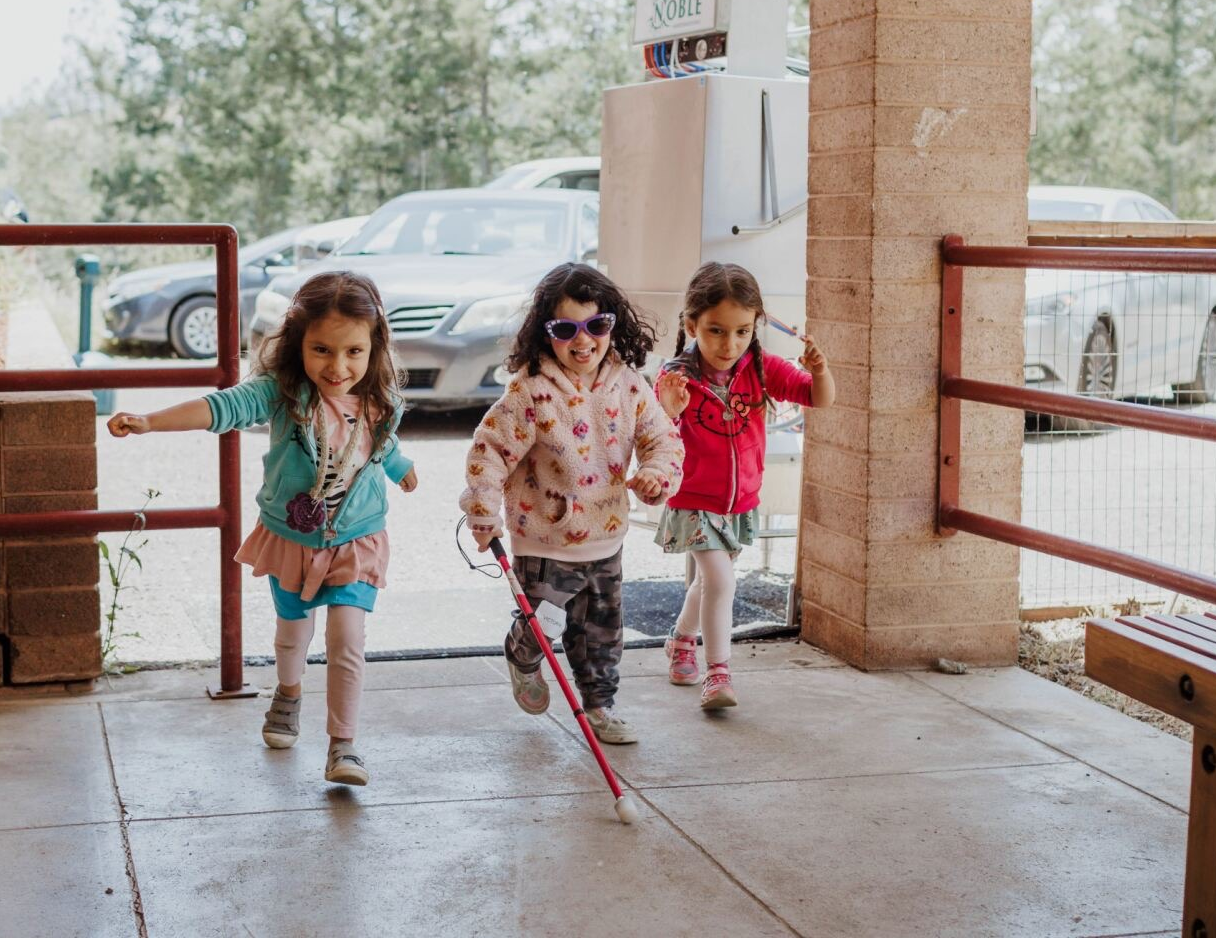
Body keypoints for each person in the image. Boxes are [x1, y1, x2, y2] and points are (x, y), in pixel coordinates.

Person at [108, 270, 416, 787]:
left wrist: (399, 467)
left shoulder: (382, 401)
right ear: (298, 343)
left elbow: (377, 445)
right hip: (291, 536)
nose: (338, 367)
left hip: (357, 539)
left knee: (347, 637)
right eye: (321, 350)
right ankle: (288, 694)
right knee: (292, 633)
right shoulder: (280, 394)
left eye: (353, 352)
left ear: (374, 347)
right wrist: (149, 421)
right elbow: (222, 406)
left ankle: (343, 746)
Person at [459, 263, 683, 745]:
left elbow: (662, 438)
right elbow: (490, 450)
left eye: (596, 325)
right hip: (544, 537)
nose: (583, 341)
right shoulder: (532, 390)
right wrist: (482, 510)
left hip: (606, 535)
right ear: (546, 333)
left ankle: (600, 705)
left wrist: (655, 474)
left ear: (612, 324)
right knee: (546, 624)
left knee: (600, 633)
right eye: (566, 329)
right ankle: (523, 654)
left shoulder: (627, 383)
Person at [655, 262, 833, 709]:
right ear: (691, 324)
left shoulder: (760, 368)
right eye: (715, 330)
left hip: (739, 502)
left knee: (712, 582)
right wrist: (670, 408)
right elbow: (656, 434)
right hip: (693, 498)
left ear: (756, 326)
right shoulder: (676, 377)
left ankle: (680, 642)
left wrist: (821, 369)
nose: (729, 344)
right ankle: (718, 674)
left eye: (741, 331)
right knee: (720, 580)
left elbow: (819, 397)